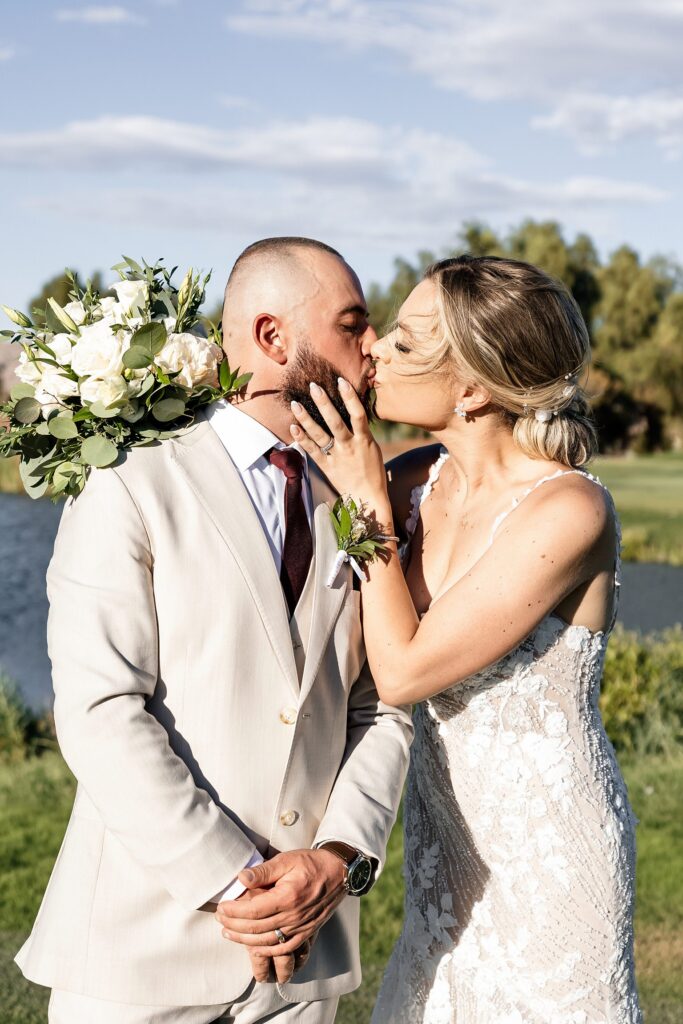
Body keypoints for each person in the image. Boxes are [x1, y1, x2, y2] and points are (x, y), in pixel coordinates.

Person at [15, 237, 413, 1024]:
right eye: (351, 323)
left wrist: (337, 861)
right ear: (272, 339)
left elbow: (383, 703)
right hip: (141, 951)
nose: (373, 345)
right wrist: (239, 886)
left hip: (305, 953)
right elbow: (101, 712)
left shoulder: (361, 490)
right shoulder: (129, 479)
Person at [290, 254, 642, 1023]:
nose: (376, 347)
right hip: (444, 845)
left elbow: (405, 672)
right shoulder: (413, 479)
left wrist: (362, 499)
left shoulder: (567, 511)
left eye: (407, 344)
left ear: (474, 389)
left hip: (549, 850)